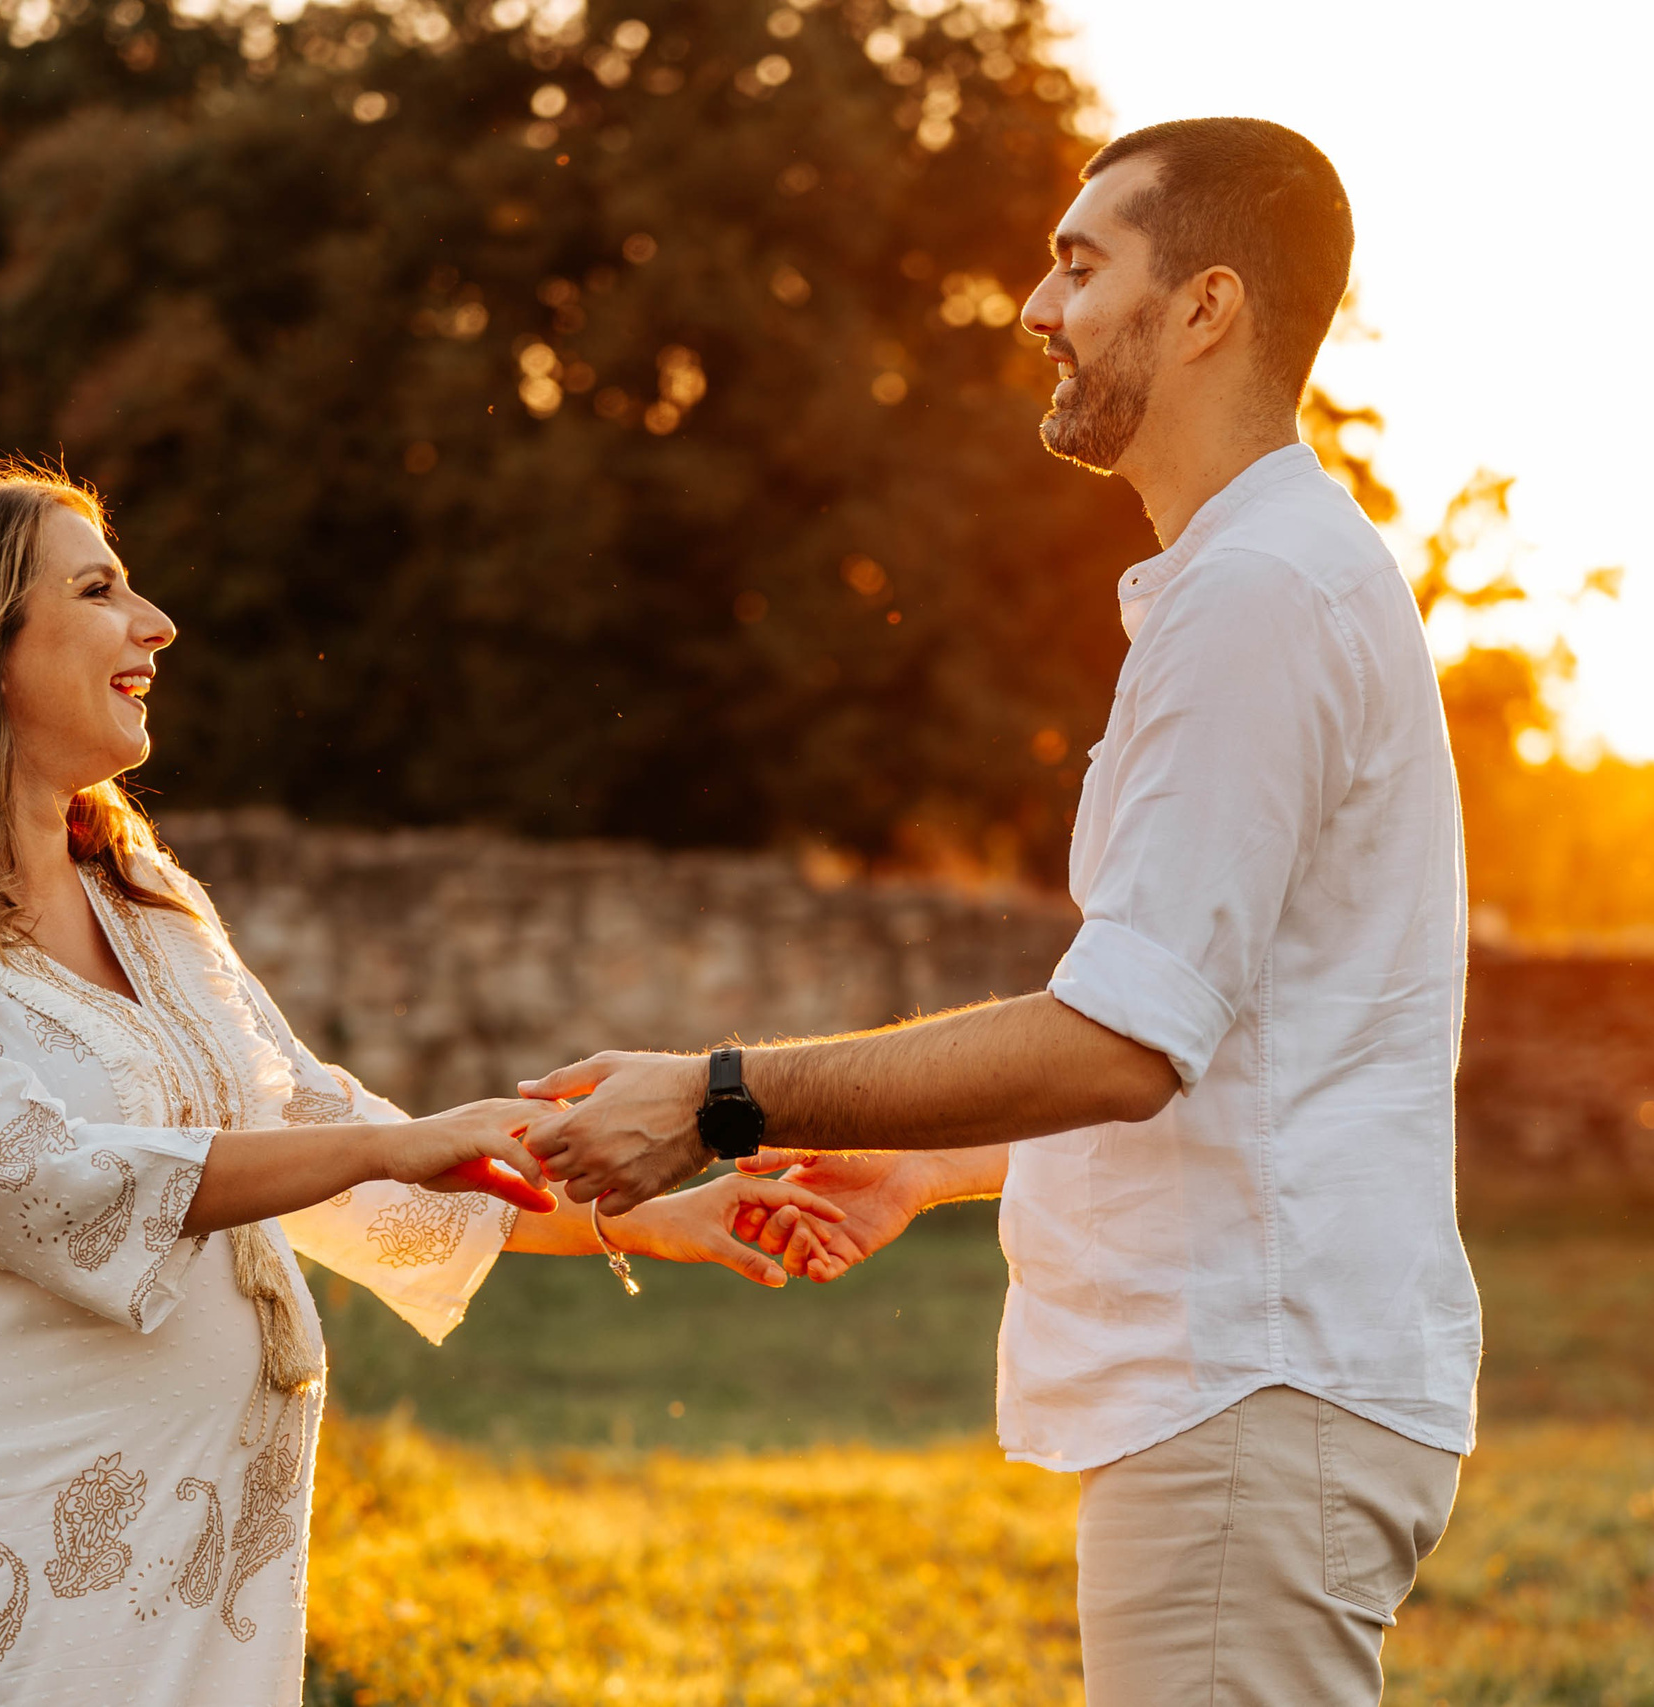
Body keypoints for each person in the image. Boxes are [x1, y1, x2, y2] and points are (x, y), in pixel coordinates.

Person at [520, 118, 1480, 1703]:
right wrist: (935, 1159)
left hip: (1252, 1378)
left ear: (1207, 308)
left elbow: (1118, 1044)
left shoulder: (1259, 596)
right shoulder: (1259, 581)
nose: (1038, 308)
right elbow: (1228, 1030)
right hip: (1260, 1382)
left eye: (1082, 264)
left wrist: (723, 1096)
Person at [0, 463, 843, 1703]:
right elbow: (29, 1182)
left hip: (203, 1573)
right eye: (102, 590)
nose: (156, 624)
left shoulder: (145, 898)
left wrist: (647, 1216)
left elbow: (316, 1130)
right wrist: (387, 1150)